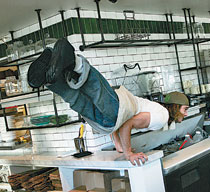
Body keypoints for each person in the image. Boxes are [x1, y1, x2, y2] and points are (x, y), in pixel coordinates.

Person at [27, 38, 189, 166]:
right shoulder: (162, 116)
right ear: (174, 107)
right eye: (185, 108)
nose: (186, 113)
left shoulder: (157, 111)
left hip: (112, 119)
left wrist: (119, 145)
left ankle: (50, 77)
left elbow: (120, 125)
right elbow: (127, 124)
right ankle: (69, 64)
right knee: (89, 94)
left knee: (82, 98)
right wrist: (128, 153)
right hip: (118, 112)